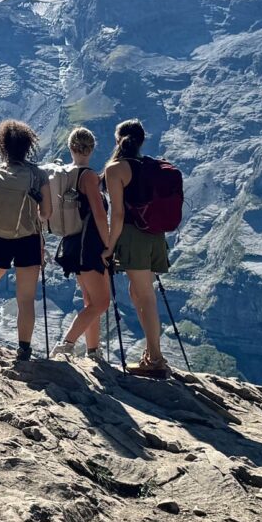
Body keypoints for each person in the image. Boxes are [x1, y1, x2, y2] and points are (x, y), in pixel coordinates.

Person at [0, 119, 52, 362]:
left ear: (2, 145)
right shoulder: (38, 175)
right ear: (28, 146)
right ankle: (24, 351)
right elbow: (46, 214)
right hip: (28, 241)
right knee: (25, 299)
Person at [104, 118, 170, 374]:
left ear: (118, 140)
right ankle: (152, 354)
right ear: (141, 141)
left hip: (133, 238)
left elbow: (118, 215)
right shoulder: (152, 166)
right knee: (138, 293)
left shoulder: (115, 169)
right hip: (155, 236)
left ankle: (155, 361)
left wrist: (109, 247)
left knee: (145, 296)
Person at [50, 126, 115, 359]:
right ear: (92, 148)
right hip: (90, 245)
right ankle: (66, 344)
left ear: (70, 147)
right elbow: (99, 213)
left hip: (72, 242)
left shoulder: (65, 172)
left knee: (90, 299)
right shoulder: (88, 176)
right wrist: (109, 246)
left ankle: (93, 350)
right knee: (102, 302)